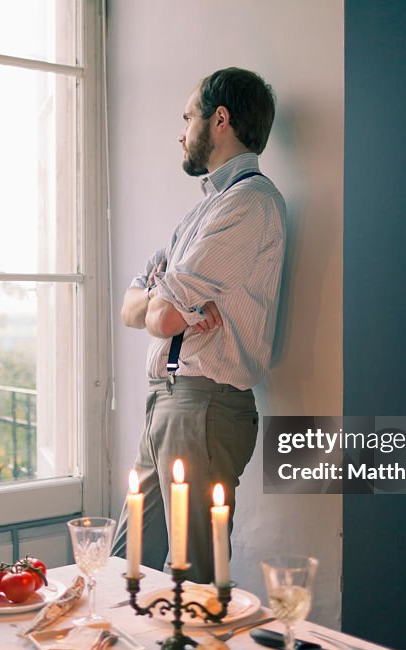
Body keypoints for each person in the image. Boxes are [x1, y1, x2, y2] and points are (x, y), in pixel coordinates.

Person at [111, 67, 286, 584]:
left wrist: (160, 305)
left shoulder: (250, 204)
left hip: (204, 403)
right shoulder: (203, 211)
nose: (181, 130)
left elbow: (160, 315)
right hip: (167, 398)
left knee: (192, 579)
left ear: (220, 120)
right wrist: (160, 304)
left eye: (189, 116)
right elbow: (131, 309)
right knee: (127, 567)